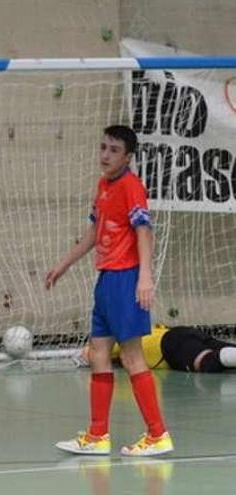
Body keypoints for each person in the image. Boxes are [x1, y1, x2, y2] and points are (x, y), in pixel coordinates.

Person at [46, 125, 172, 457]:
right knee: (97, 354)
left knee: (131, 356)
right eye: (103, 147)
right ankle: (98, 435)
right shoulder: (103, 185)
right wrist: (64, 264)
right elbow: (94, 231)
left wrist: (145, 277)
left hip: (125, 279)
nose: (105, 155)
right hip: (105, 280)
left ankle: (158, 435)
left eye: (114, 150)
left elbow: (144, 232)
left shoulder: (132, 187)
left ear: (128, 157)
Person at [77, 325, 236, 373]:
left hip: (170, 344)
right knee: (224, 353)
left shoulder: (123, 340)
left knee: (207, 362)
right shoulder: (144, 329)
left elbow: (88, 354)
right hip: (184, 334)